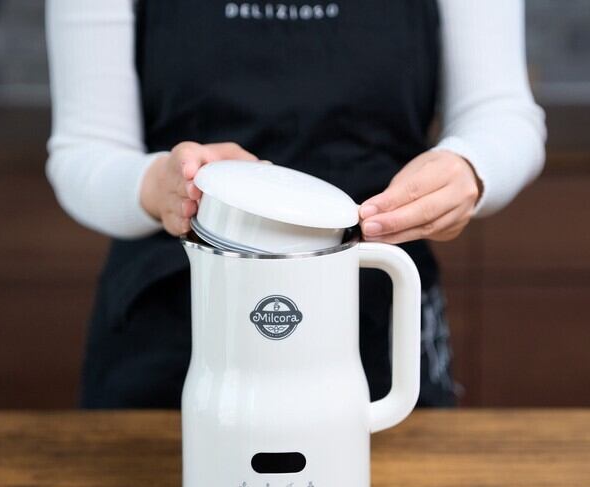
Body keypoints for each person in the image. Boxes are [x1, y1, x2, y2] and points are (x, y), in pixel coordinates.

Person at [45, 0, 546, 409]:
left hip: (377, 314)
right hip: (170, 328)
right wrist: (160, 185)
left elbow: (501, 113)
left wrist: (469, 167)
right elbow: (83, 151)